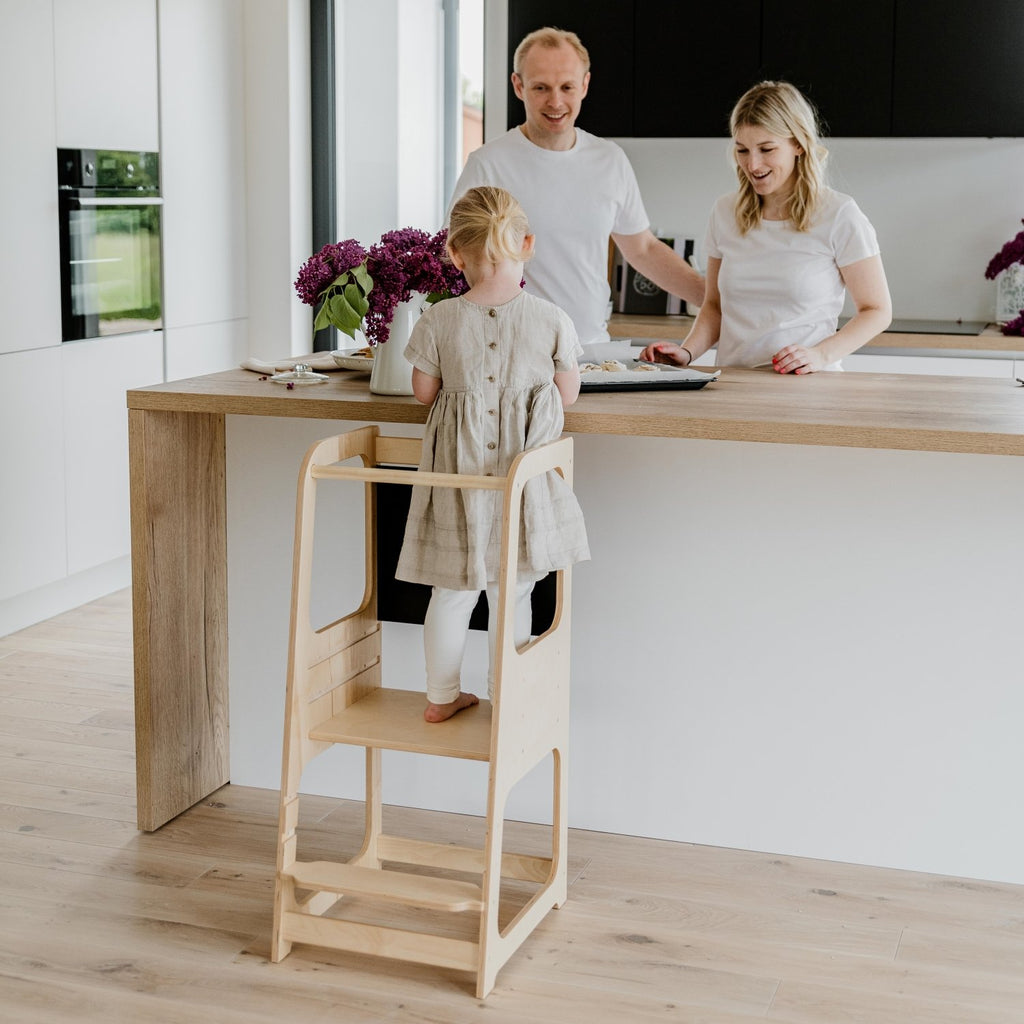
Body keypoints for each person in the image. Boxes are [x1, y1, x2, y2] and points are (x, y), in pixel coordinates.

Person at [396, 186, 590, 723]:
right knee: (515, 590)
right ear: (526, 243)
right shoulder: (552, 318)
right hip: (519, 481)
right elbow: (568, 394)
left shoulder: (437, 320)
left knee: (452, 590)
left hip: (457, 479)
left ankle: (440, 697)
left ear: (454, 254)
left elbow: (423, 392)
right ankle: (510, 698)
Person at [449, 26, 704, 346]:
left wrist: (713, 299)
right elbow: (453, 255)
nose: (555, 101)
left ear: (585, 84)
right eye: (541, 87)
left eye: (567, 86)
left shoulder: (610, 160)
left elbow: (643, 249)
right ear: (518, 85)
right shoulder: (488, 164)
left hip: (590, 350)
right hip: (509, 350)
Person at [641, 81, 892, 373]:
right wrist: (686, 352)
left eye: (766, 148)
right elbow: (714, 307)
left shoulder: (839, 214)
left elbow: (877, 310)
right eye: (742, 150)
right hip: (733, 387)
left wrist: (821, 355)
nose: (753, 164)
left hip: (809, 389)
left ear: (798, 144)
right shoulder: (725, 212)